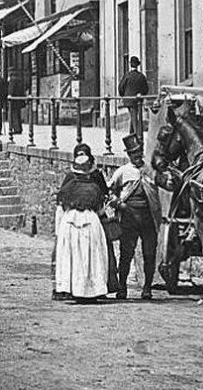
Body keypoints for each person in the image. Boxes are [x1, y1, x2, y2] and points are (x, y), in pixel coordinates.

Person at [108, 133, 162, 300]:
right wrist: (118, 203)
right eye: (134, 153)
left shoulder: (150, 171)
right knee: (126, 254)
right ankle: (122, 287)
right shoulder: (122, 172)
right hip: (129, 217)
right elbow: (109, 192)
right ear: (129, 155)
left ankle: (147, 288)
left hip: (148, 217)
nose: (138, 156)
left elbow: (163, 184)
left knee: (149, 253)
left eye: (139, 152)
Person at [54, 146, 110, 302]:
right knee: (90, 255)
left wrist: (59, 230)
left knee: (72, 255)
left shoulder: (67, 188)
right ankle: (91, 290)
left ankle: (73, 288)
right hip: (90, 221)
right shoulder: (95, 189)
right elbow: (100, 210)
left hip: (70, 221)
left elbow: (60, 208)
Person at [117, 56, 150, 137]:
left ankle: (135, 137)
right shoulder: (141, 76)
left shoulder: (127, 75)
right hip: (138, 100)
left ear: (130, 64)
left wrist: (124, 96)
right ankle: (135, 136)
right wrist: (141, 95)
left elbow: (120, 87)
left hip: (128, 100)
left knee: (133, 117)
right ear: (137, 65)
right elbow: (146, 89)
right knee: (134, 116)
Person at [7, 66, 25, 136]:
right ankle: (19, 128)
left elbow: (11, 90)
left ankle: (16, 129)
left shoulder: (12, 80)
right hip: (19, 99)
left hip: (13, 100)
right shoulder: (19, 79)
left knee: (14, 114)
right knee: (18, 114)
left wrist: (9, 95)